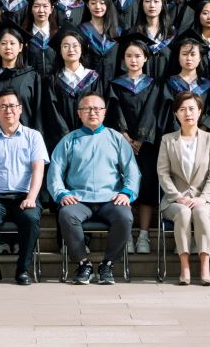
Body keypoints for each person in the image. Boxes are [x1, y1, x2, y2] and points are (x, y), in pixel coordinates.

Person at [48, 94, 141, 285]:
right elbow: (55, 171)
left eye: (97, 108)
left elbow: (132, 170)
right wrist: (62, 193)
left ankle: (108, 265)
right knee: (66, 214)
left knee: (125, 217)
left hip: (111, 199)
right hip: (79, 200)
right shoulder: (69, 140)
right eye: (87, 109)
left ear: (104, 113)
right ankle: (84, 264)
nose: (92, 112)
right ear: (79, 113)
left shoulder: (116, 138)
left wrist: (127, 192)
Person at [0, 88, 47, 286]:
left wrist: (31, 198)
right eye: (3, 106)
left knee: (31, 218)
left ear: (20, 109)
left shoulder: (34, 137)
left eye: (13, 106)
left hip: (24, 196)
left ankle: (23, 270)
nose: (8, 110)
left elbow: (38, 170)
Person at [156, 92, 210, 286]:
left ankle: (204, 266)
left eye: (192, 108)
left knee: (200, 212)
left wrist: (203, 197)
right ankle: (184, 266)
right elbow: (163, 173)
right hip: (175, 200)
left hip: (204, 199)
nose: (188, 113)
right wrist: (177, 196)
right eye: (182, 109)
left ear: (200, 111)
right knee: (184, 213)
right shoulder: (168, 140)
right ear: (176, 114)